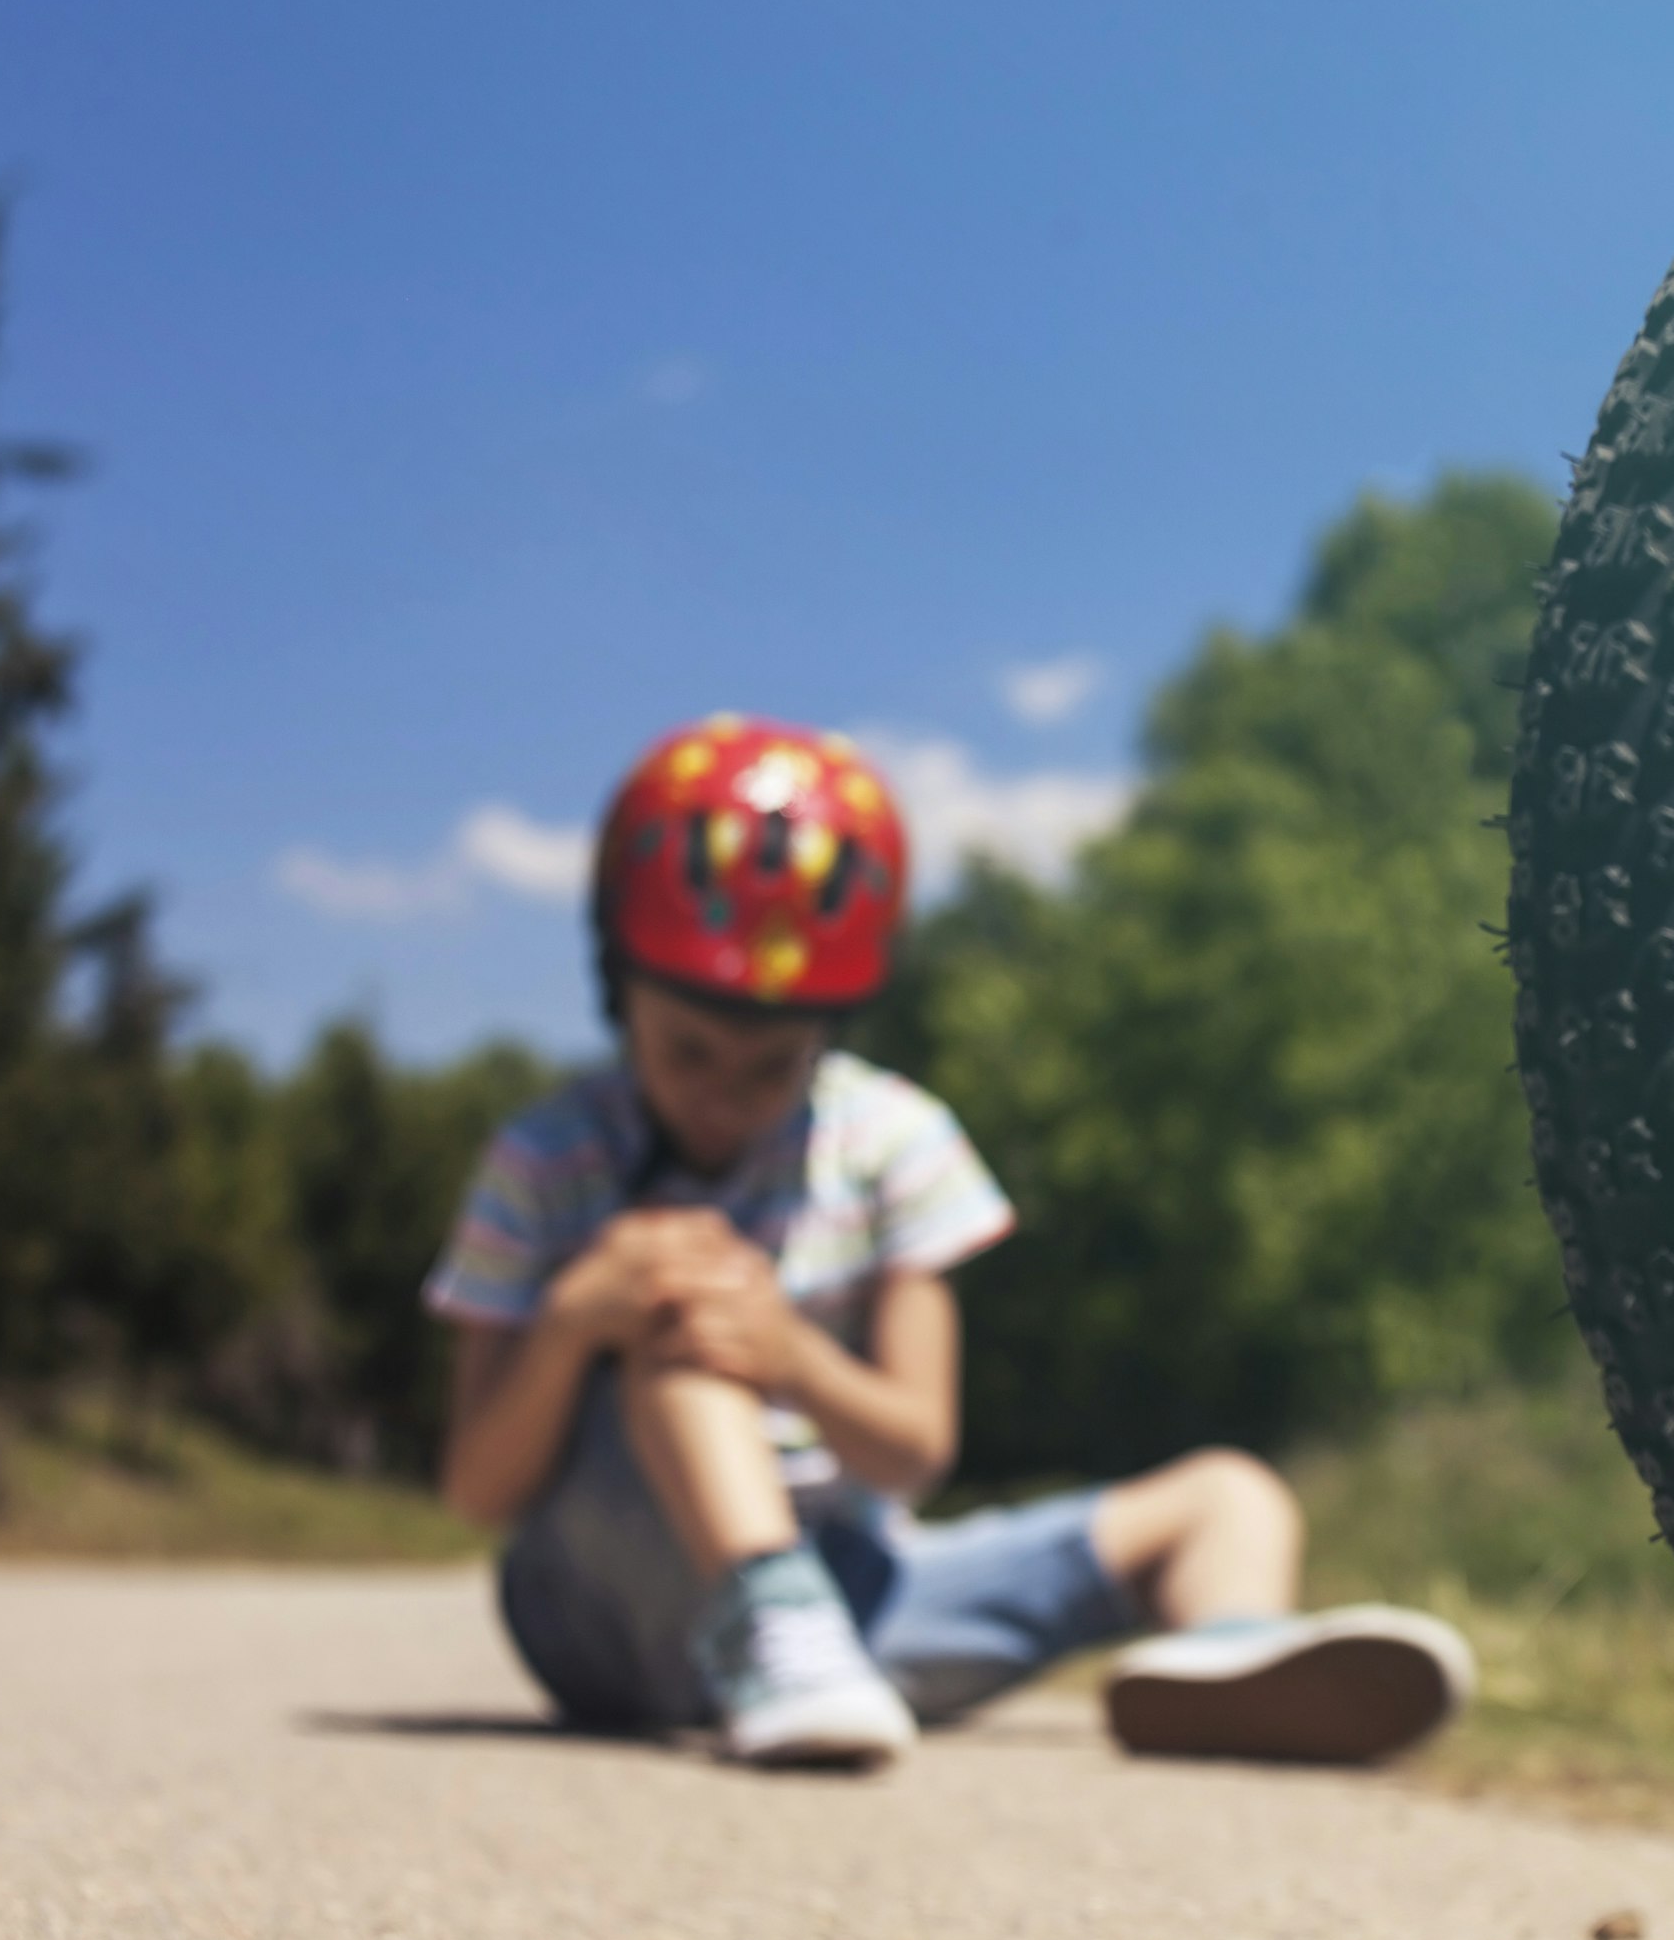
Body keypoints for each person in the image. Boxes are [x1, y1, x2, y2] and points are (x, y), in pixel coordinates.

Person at [426, 714, 1474, 1769]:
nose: (723, 1096)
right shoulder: (542, 1157)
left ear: (832, 1029)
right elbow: (479, 1491)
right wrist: (571, 1321)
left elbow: (915, 1451)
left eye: (770, 1067)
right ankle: (767, 1623)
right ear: (620, 986)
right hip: (601, 1606)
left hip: (855, 1598)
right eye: (687, 1050)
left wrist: (790, 1356)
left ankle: (1227, 1661)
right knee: (683, 1330)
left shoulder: (894, 1139)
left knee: (1231, 1493)